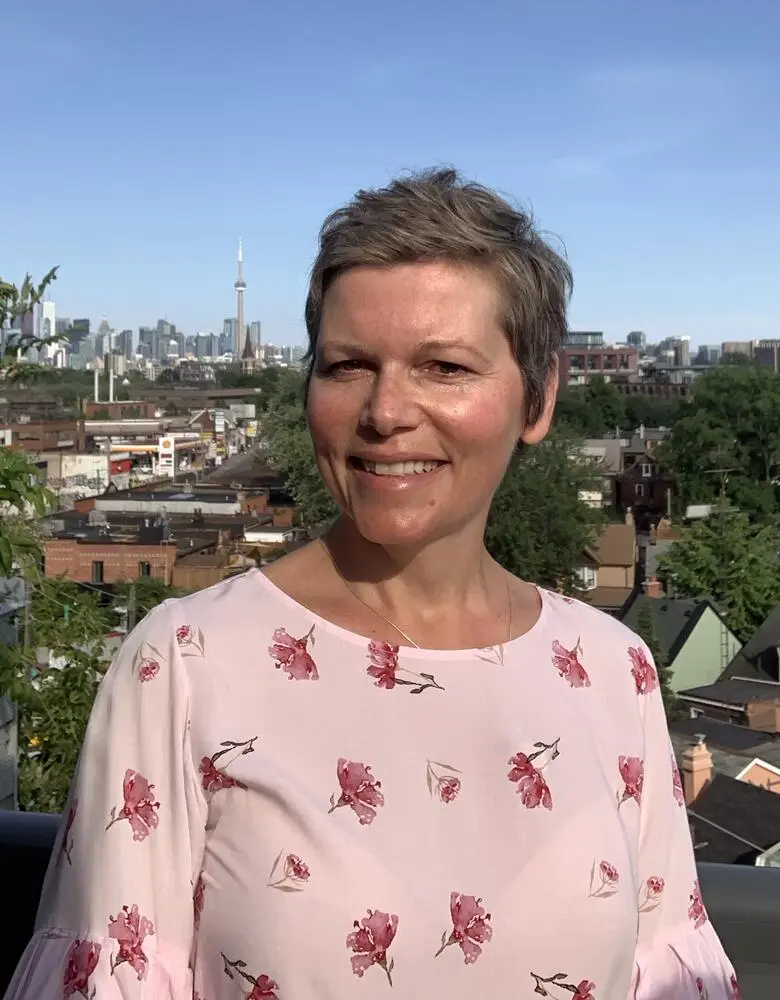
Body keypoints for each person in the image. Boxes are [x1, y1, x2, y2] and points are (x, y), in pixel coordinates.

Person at [5, 169, 739, 1000]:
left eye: (445, 367)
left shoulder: (614, 671)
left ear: (540, 398)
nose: (386, 411)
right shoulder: (185, 665)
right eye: (349, 365)